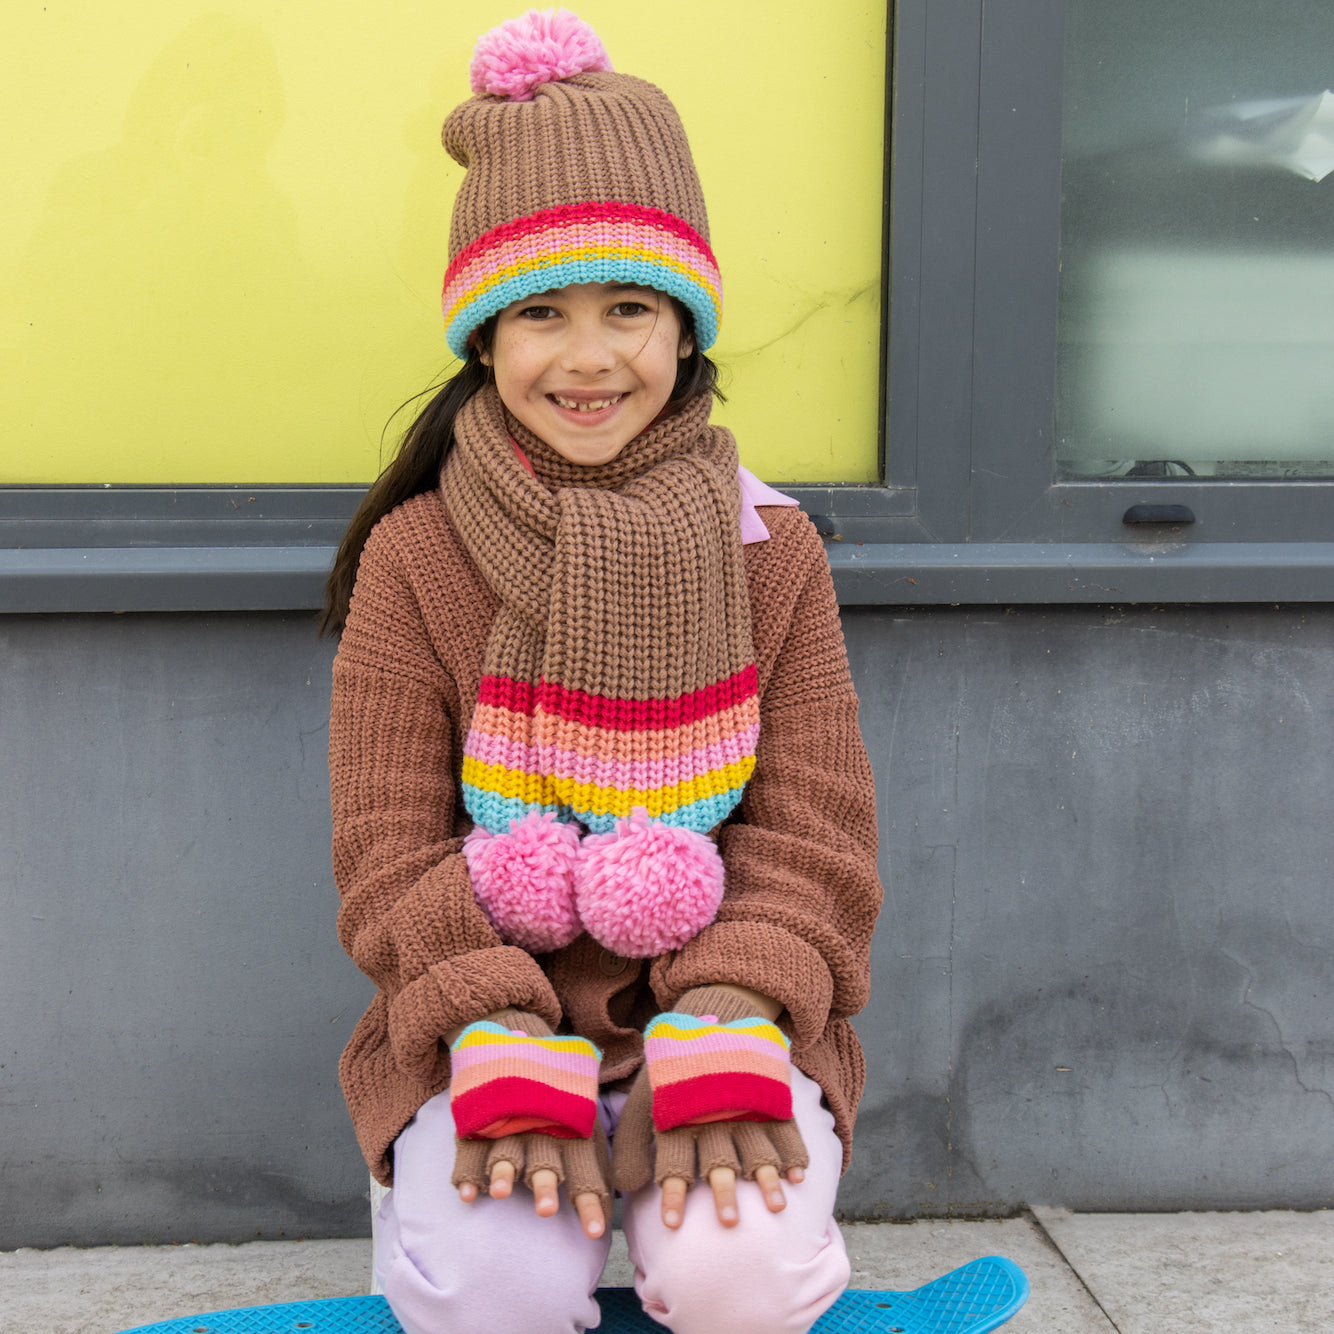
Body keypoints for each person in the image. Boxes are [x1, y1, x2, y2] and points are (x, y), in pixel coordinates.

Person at [323, 11, 882, 1333]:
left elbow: (814, 832)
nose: (588, 357)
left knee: (739, 1285)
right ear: (484, 339)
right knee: (494, 1296)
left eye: (629, 307)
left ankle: (744, 1210)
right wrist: (495, 1033)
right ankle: (445, 1220)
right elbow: (388, 849)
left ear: (684, 328)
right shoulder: (416, 555)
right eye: (540, 313)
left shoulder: (770, 549)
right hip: (485, 1014)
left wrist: (733, 1014)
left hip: (728, 1009)